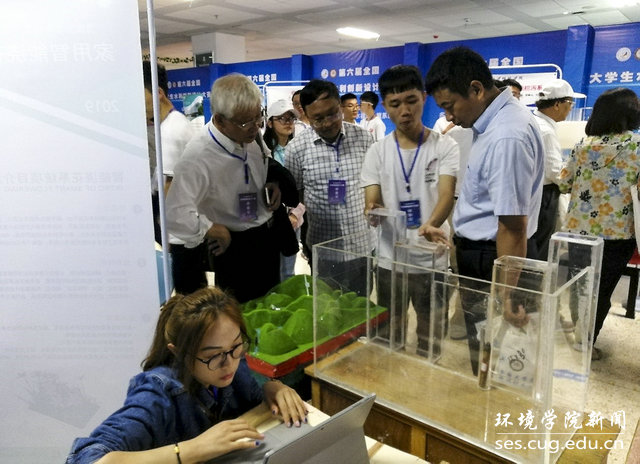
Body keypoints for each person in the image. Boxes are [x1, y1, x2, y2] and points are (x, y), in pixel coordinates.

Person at [66, 286, 308, 464]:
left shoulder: (232, 361)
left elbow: (253, 400)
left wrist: (271, 388)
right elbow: (87, 459)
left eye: (236, 346)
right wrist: (190, 450)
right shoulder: (157, 392)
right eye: (213, 355)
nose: (229, 364)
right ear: (179, 352)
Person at [424, 46, 544, 375]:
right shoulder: (495, 122)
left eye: (450, 106)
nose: (449, 117)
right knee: (487, 350)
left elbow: (512, 226)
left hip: (495, 258)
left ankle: (496, 402)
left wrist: (508, 295)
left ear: (476, 89)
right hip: (490, 255)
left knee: (497, 357)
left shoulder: (506, 135)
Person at [361, 65, 459, 354]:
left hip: (432, 258)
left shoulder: (444, 146)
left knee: (432, 331)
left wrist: (431, 224)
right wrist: (372, 210)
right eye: (395, 104)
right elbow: (372, 197)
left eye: (411, 101)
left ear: (424, 98)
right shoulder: (377, 151)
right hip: (391, 258)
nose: (404, 111)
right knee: (389, 332)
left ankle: (428, 371)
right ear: (384, 106)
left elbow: (446, 193)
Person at [165, 73, 283, 303]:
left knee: (271, 306)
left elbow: (262, 162)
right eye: (245, 122)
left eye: (258, 117)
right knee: (240, 313)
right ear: (220, 120)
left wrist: (272, 183)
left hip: (265, 237)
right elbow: (174, 213)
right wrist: (210, 228)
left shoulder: (251, 136)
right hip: (233, 247)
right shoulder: (198, 156)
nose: (254, 128)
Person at [558, 87, 640, 360]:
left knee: (580, 284)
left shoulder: (582, 145)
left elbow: (564, 183)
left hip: (578, 230)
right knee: (602, 290)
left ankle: (578, 333)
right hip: (618, 233)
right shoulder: (637, 146)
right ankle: (586, 343)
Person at [285, 80, 374, 295]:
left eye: (333, 114)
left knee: (361, 308)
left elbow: (372, 184)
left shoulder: (363, 139)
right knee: (327, 309)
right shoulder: (296, 149)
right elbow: (296, 195)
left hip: (361, 244)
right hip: (323, 248)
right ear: (305, 114)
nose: (327, 123)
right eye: (318, 118)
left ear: (340, 107)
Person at [143, 61, 195, 244]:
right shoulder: (170, 124)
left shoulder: (171, 130)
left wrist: (166, 238)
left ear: (158, 93)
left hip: (178, 236)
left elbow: (169, 189)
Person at [531, 79, 576, 260]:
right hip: (544, 195)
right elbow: (554, 171)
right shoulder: (546, 131)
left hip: (531, 192)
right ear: (557, 104)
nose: (571, 108)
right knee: (541, 244)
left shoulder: (533, 122)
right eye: (570, 103)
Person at [263, 99, 306, 281]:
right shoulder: (262, 151)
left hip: (293, 217)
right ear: (270, 123)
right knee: (269, 268)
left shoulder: (298, 149)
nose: (288, 122)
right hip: (269, 218)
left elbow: (304, 185)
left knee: (288, 270)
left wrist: (296, 214)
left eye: (291, 118)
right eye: (282, 118)